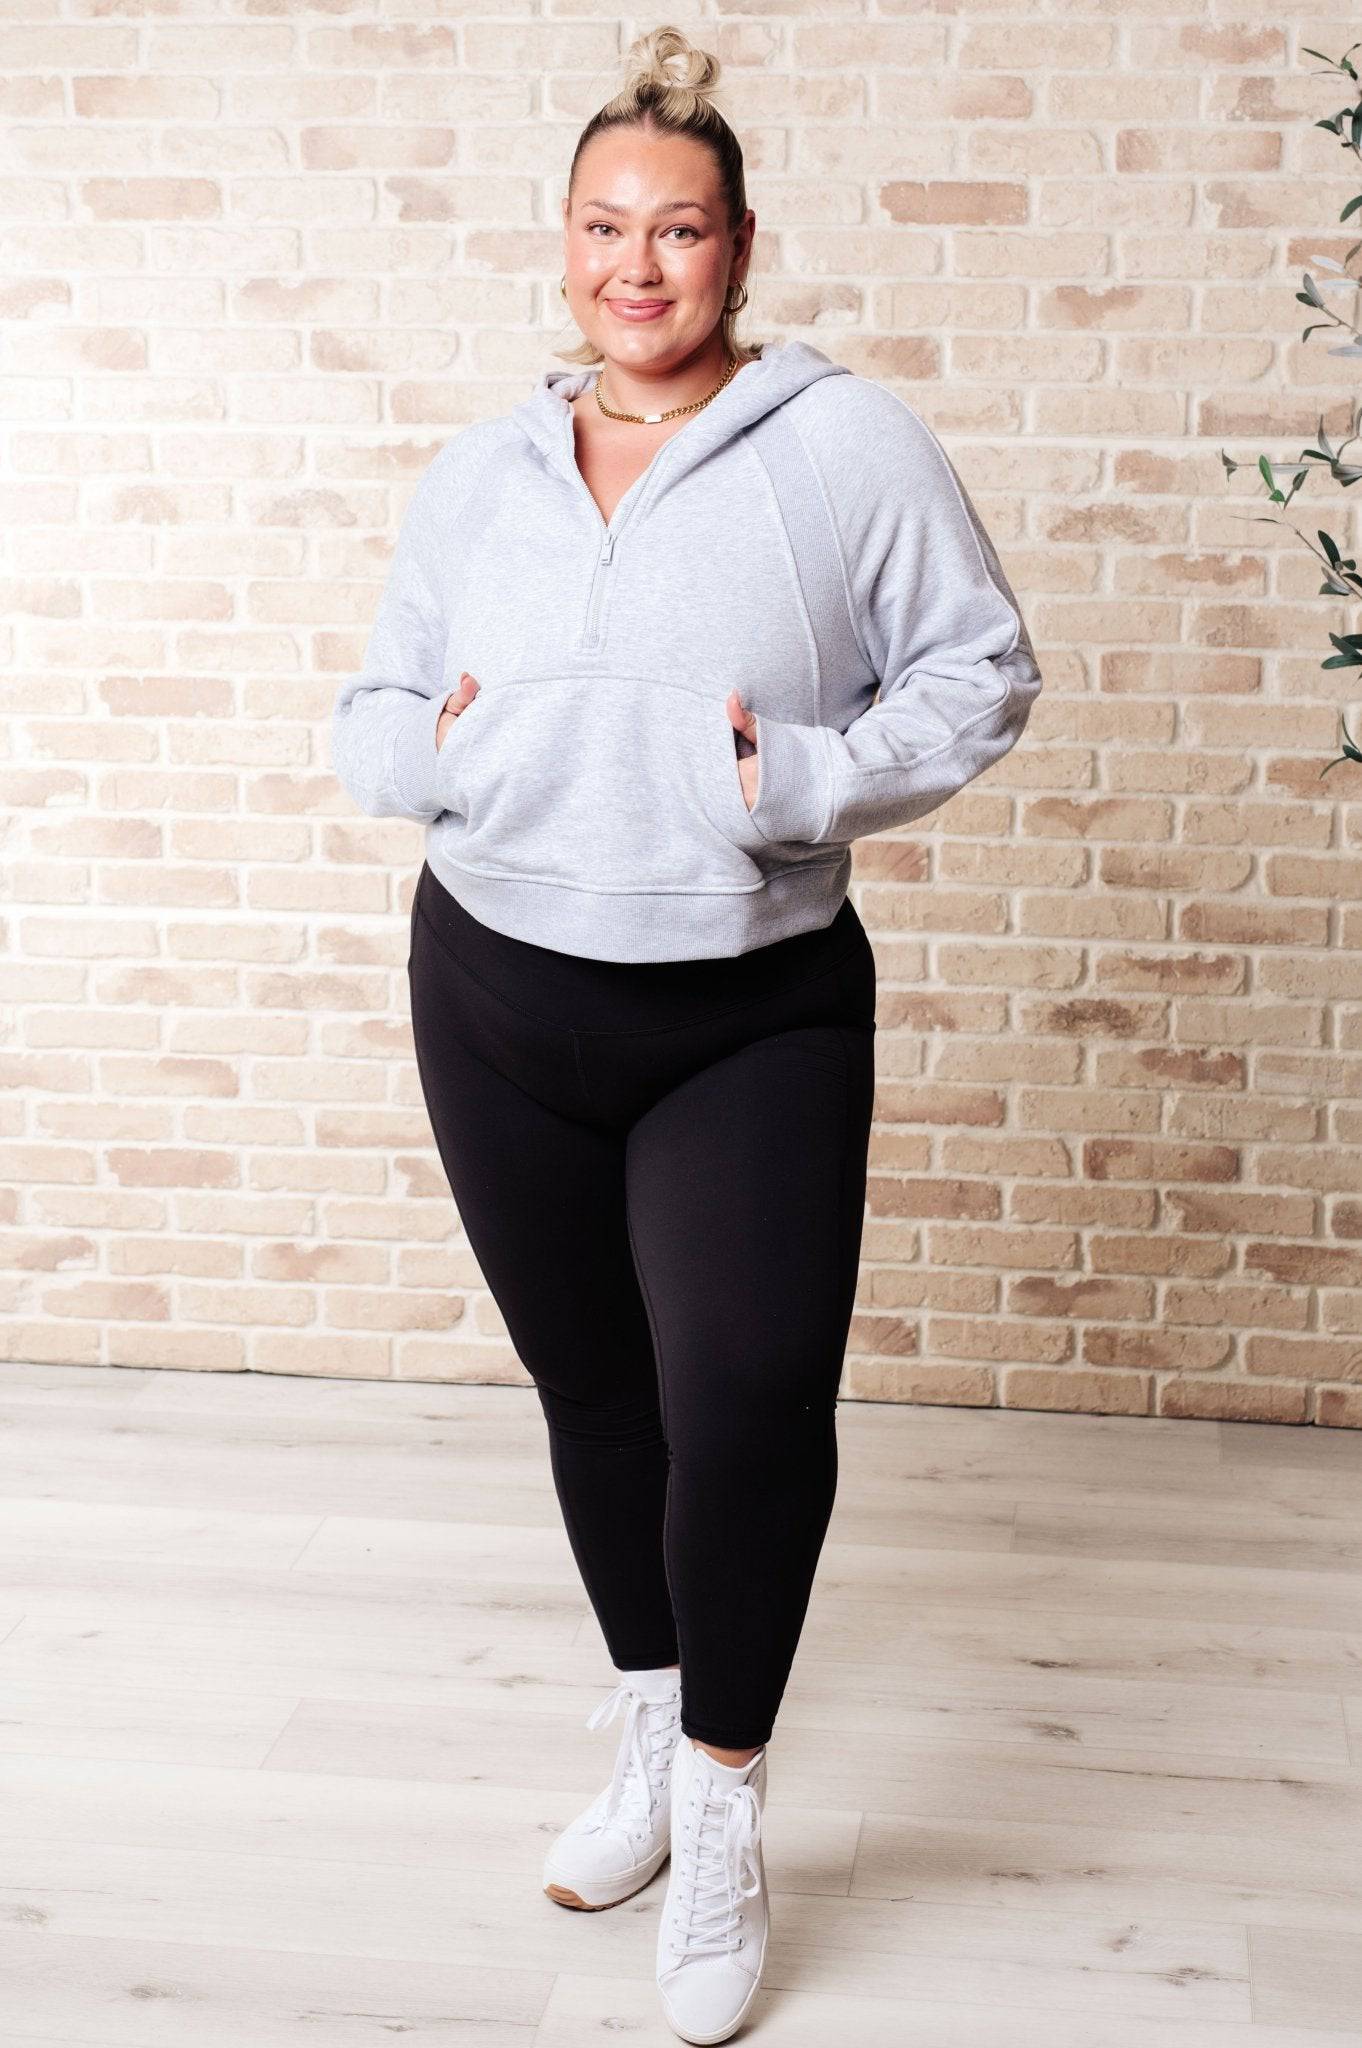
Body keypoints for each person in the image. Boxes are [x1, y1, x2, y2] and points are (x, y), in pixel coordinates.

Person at [331, 25, 1042, 2044]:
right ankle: (651, 1727)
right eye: (603, 227)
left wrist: (800, 780)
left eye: (679, 229)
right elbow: (375, 707)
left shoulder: (845, 448)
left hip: (747, 1011)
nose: (636, 265)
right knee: (595, 1393)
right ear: (562, 245)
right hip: (495, 986)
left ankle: (725, 1805)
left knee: (741, 1405)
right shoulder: (481, 472)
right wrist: (436, 757)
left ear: (740, 247)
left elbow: (981, 669)